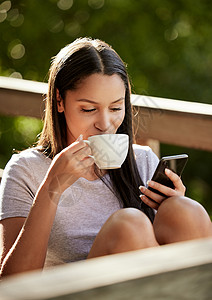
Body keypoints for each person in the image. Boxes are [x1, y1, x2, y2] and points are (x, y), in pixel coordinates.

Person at [0, 37, 211, 277]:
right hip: (70, 293)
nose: (105, 124)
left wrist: (170, 212)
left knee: (185, 210)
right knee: (129, 225)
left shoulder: (142, 161)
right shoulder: (26, 169)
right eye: (89, 109)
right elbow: (11, 283)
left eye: (115, 108)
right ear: (59, 101)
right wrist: (52, 188)